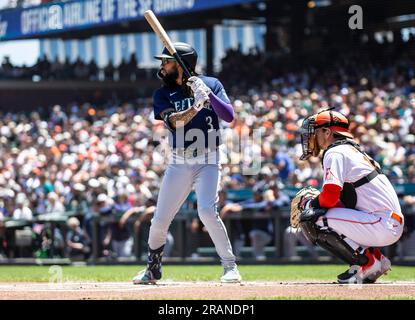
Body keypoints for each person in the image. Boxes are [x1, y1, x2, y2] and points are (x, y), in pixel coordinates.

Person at [133, 42, 241, 284]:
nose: (162, 66)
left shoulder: (211, 83)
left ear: (182, 64)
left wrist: (208, 95)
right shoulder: (162, 93)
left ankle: (230, 267)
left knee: (206, 211)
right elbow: (174, 122)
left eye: (167, 61)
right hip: (179, 160)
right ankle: (152, 269)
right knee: (160, 219)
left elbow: (229, 116)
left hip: (209, 158)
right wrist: (197, 106)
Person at [292, 109, 404, 283]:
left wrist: (311, 203)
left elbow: (329, 197)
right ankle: (376, 259)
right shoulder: (351, 150)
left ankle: (367, 262)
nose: (312, 136)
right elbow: (343, 202)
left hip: (381, 223)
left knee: (311, 218)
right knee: (321, 213)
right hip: (385, 221)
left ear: (327, 131)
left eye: (315, 131)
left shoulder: (335, 152)